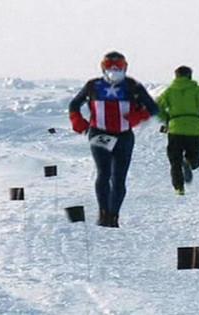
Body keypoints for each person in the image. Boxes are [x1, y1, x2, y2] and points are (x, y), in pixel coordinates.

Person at [68, 51, 159, 227]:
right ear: (103, 68)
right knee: (104, 173)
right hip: (99, 133)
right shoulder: (92, 86)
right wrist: (78, 121)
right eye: (111, 67)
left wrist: (138, 116)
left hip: (124, 136)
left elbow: (153, 108)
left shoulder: (133, 86)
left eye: (119, 67)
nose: (115, 70)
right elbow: (74, 104)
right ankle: (103, 213)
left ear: (125, 67)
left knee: (119, 178)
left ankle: (113, 216)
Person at [156, 66, 199, 196]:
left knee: (175, 160)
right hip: (194, 129)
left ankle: (179, 189)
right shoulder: (197, 90)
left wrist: (166, 119)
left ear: (176, 76)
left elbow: (156, 106)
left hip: (175, 129)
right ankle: (190, 162)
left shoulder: (169, 92)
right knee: (194, 155)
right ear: (190, 76)